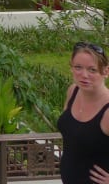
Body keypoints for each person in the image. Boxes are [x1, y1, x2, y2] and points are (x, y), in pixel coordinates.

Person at [57, 41, 109, 183]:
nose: (84, 75)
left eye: (92, 70)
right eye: (78, 67)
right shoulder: (73, 91)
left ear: (106, 71)